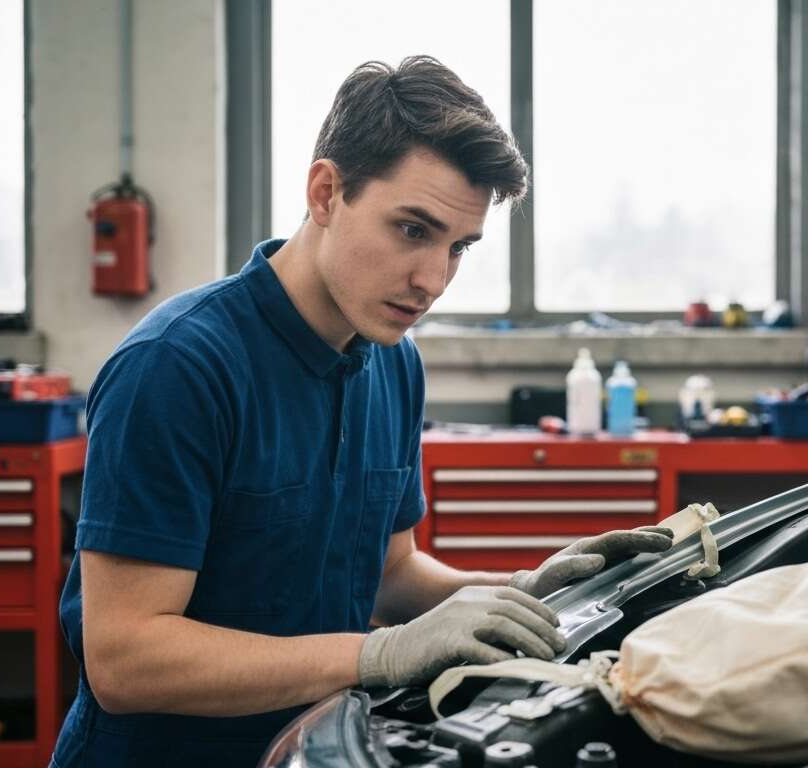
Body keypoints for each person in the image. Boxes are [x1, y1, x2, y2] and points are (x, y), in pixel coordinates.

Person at [50, 56, 671, 767]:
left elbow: (389, 574)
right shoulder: (177, 367)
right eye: (412, 230)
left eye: (458, 248)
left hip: (319, 750)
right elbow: (126, 660)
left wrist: (523, 593)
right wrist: (381, 653)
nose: (433, 281)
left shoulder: (394, 360)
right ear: (325, 191)